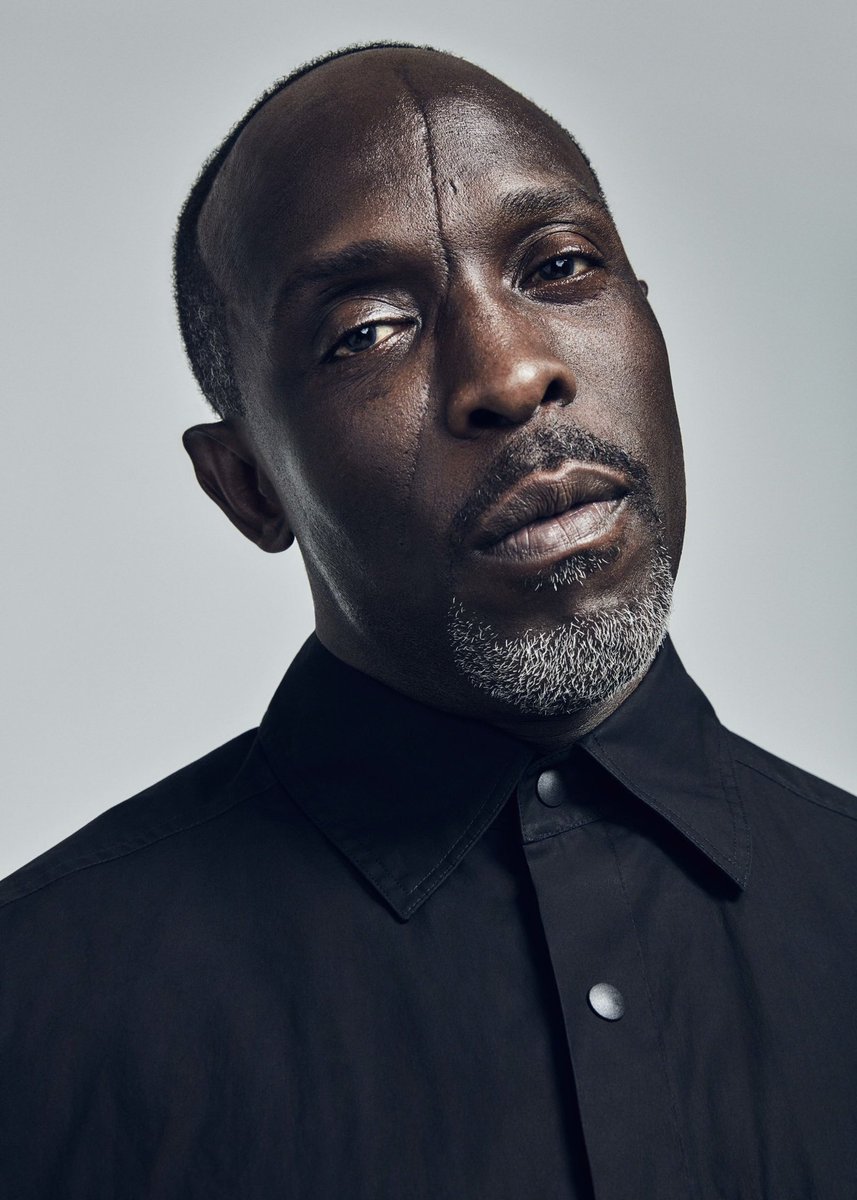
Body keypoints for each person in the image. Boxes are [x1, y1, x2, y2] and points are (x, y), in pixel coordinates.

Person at [1, 41, 855, 1199]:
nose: (510, 374)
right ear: (248, 486)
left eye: (559, 266)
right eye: (367, 330)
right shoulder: (35, 1019)